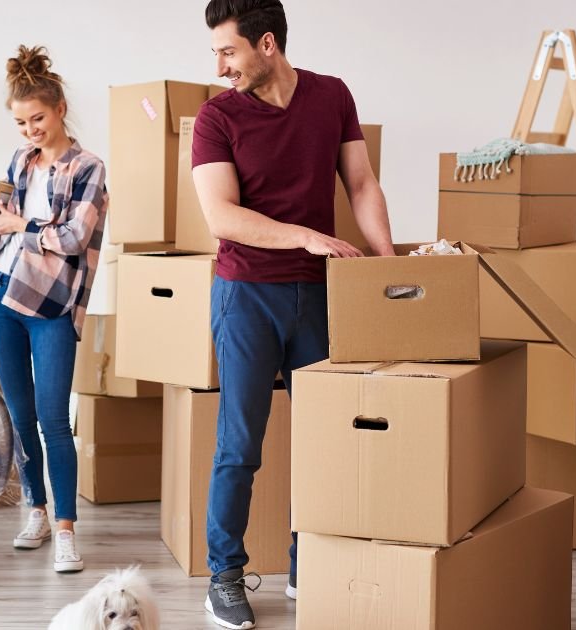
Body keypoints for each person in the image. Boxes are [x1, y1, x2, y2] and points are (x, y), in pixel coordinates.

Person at [190, 2, 394, 627]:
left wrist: (388, 266)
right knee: (240, 444)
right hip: (247, 294)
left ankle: (310, 568)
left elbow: (360, 184)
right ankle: (224, 575)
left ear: (267, 44)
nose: (220, 66)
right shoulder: (216, 117)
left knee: (326, 442)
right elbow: (222, 216)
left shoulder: (331, 96)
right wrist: (305, 236)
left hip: (320, 298)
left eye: (229, 51)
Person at [0, 44, 107, 572]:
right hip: (0, 297)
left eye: (37, 118)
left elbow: (75, 237)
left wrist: (22, 228)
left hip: (51, 304)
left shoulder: (88, 167)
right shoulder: (20, 162)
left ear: (58, 111)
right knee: (19, 413)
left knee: (55, 418)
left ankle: (66, 531)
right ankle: (35, 508)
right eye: (20, 121)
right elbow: (2, 222)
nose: (30, 129)